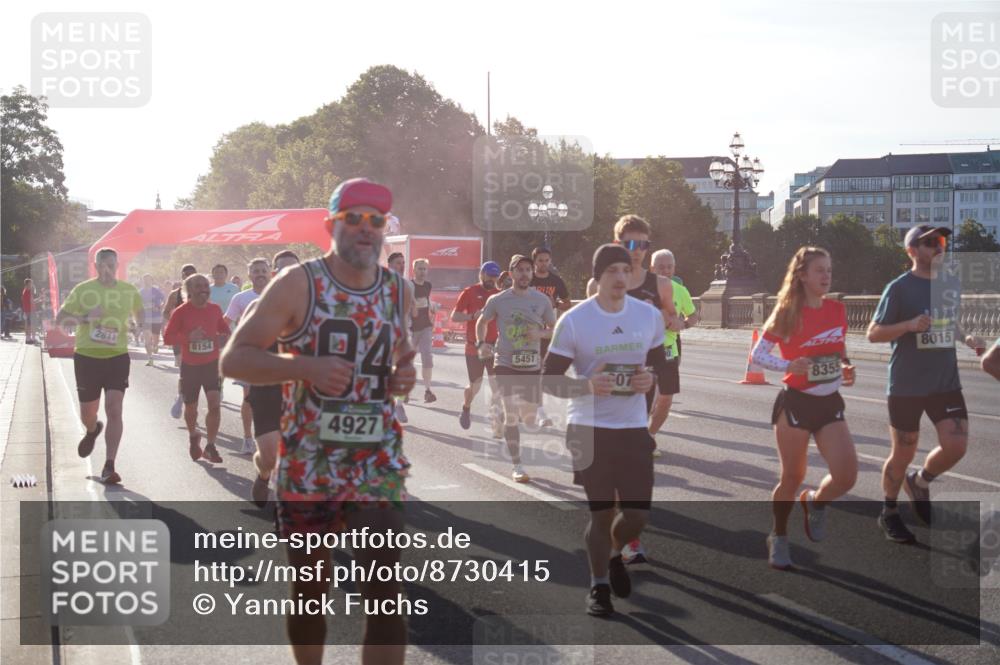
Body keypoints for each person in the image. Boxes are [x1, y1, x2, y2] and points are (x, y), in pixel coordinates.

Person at [220, 177, 416, 665]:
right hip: (310, 463)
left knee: (385, 591)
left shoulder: (398, 289)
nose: (367, 228)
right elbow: (234, 359)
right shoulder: (298, 283)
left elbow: (397, 358)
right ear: (331, 225)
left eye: (376, 220)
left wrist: (402, 375)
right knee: (311, 591)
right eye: (355, 218)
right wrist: (305, 367)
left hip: (376, 460)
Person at [543, 243, 667, 616]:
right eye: (612, 270)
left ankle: (615, 552)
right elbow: (548, 380)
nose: (620, 277)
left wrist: (649, 379)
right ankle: (598, 587)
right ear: (597, 277)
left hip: (633, 427)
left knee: (638, 515)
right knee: (601, 514)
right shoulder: (575, 320)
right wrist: (585, 385)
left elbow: (658, 365)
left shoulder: (648, 316)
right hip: (588, 427)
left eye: (625, 270)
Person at [867, 224, 985, 544]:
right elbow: (873, 333)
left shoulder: (950, 284)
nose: (939, 247)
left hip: (945, 382)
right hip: (907, 385)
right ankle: (889, 511)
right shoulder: (899, 288)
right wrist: (907, 325)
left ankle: (919, 481)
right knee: (903, 452)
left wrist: (967, 338)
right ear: (912, 251)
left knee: (956, 446)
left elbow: (949, 321)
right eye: (930, 242)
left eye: (941, 240)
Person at [748, 247, 859, 570]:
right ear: (802, 276)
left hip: (829, 401)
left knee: (846, 476)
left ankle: (815, 503)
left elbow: (838, 347)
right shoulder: (787, 312)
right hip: (796, 402)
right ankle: (779, 535)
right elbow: (757, 355)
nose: (826, 276)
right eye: (820, 270)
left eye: (829, 270)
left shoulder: (837, 309)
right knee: (792, 476)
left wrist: (846, 366)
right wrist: (788, 364)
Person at [55, 248, 144, 484]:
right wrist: (86, 318)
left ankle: (109, 465)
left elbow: (140, 313)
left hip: (117, 357)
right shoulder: (83, 290)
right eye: (102, 265)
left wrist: (138, 325)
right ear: (95, 266)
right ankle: (92, 430)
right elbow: (60, 318)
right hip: (87, 357)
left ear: (117, 266)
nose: (107, 269)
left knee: (114, 409)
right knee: (88, 413)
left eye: (111, 265)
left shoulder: (129, 290)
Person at [477, 254, 555, 483]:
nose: (524, 274)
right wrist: (482, 343)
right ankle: (517, 465)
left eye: (528, 270)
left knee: (528, 417)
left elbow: (555, 328)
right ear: (511, 274)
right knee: (512, 414)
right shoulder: (498, 300)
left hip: (531, 363)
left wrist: (539, 333)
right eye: (520, 270)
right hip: (505, 362)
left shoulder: (542, 300)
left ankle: (502, 413)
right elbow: (482, 322)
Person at [241, 250, 301, 507]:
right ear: (275, 274)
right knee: (269, 456)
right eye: (283, 270)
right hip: (265, 389)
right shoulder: (257, 307)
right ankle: (264, 474)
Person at [163, 273, 229, 464]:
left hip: (211, 365)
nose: (203, 289)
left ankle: (210, 446)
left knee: (214, 404)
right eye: (198, 286)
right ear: (189, 290)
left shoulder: (215, 309)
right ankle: (193, 435)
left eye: (206, 286)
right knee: (191, 408)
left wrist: (225, 336)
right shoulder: (181, 312)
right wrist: (188, 338)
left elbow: (224, 330)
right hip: (190, 367)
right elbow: (167, 338)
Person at [225, 258, 272, 455]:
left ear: (269, 272)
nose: (260, 274)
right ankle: (247, 438)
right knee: (249, 398)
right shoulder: (240, 298)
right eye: (256, 271)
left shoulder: (281, 294)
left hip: (275, 355)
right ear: (249, 275)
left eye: (263, 270)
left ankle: (270, 438)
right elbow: (226, 322)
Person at [452, 262, 503, 435]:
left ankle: (496, 423)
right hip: (474, 347)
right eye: (489, 275)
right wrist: (472, 316)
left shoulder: (499, 295)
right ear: (481, 274)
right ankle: (466, 407)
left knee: (497, 386)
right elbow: (455, 316)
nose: (491, 279)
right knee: (475, 386)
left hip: (495, 346)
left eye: (494, 276)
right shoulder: (470, 292)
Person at [530, 246, 572, 427]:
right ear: (534, 261)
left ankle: (539, 411)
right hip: (528, 329)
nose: (544, 263)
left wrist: (556, 304)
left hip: (548, 330)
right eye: (540, 260)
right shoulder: (528, 279)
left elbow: (567, 303)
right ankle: (534, 409)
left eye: (547, 260)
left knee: (540, 370)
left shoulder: (556, 281)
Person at [164, 264, 198, 416]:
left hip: (198, 337)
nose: (189, 276)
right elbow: (166, 313)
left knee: (196, 371)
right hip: (180, 337)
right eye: (186, 274)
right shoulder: (175, 294)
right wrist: (176, 324)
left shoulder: (203, 292)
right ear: (182, 276)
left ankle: (189, 400)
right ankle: (181, 397)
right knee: (184, 369)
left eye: (192, 273)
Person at [386, 252, 414, 423]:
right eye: (398, 263)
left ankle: (399, 404)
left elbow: (411, 309)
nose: (402, 266)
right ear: (389, 265)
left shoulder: (408, 285)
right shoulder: (381, 283)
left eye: (403, 263)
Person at [410, 258, 438, 403]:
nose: (422, 271)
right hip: (411, 328)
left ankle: (428, 391)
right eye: (420, 269)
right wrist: (414, 305)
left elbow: (427, 300)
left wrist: (432, 306)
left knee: (427, 358)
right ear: (414, 270)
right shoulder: (409, 285)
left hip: (425, 326)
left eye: (425, 269)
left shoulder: (428, 285)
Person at [139, 274, 165, 366]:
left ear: (151, 281)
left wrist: (160, 307)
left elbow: (164, 299)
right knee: (147, 341)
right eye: (145, 280)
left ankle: (156, 346)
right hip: (146, 319)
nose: (147, 281)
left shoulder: (156, 291)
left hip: (156, 318)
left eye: (148, 279)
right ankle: (150, 358)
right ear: (143, 281)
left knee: (155, 339)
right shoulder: (140, 292)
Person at [22, 278, 37, 344]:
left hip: (28, 310)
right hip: (29, 311)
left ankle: (29, 339)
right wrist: (39, 299)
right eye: (31, 283)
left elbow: (31, 301)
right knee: (30, 325)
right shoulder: (27, 291)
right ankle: (29, 339)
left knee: (29, 325)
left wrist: (38, 299)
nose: (32, 285)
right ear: (28, 284)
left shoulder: (26, 291)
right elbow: (32, 301)